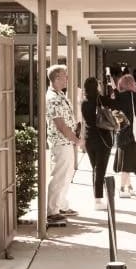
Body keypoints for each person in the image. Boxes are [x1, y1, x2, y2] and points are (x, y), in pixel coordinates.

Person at [45, 64, 83, 224]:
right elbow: (60, 125)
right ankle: (52, 211)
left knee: (66, 175)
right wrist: (76, 140)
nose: (67, 79)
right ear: (56, 78)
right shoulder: (52, 98)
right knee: (59, 176)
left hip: (66, 142)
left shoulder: (59, 94)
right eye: (64, 77)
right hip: (61, 143)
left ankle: (61, 205)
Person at [81, 76, 119, 210]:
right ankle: (98, 200)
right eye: (99, 85)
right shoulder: (102, 100)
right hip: (102, 139)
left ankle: (97, 196)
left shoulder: (84, 102)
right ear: (96, 87)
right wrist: (114, 88)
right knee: (100, 169)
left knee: (96, 169)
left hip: (89, 139)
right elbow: (118, 102)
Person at [113, 74, 136, 197]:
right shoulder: (134, 97)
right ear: (130, 84)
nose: (135, 84)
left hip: (122, 133)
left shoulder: (118, 97)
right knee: (127, 163)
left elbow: (115, 114)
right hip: (133, 134)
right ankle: (122, 189)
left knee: (125, 161)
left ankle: (129, 186)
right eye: (134, 82)